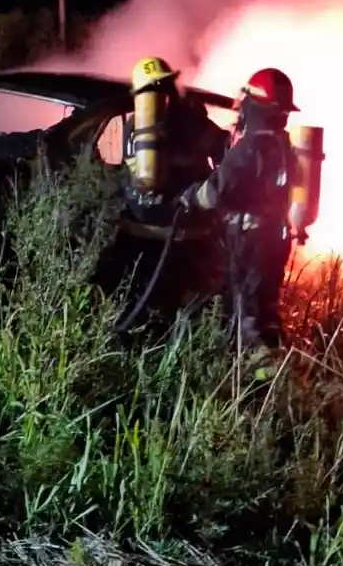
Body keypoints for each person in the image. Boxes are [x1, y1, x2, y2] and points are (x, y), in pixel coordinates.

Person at [177, 67, 300, 378]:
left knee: (247, 314)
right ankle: (277, 370)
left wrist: (189, 197)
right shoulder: (284, 146)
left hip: (249, 242)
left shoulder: (249, 148)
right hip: (274, 240)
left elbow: (215, 192)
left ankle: (260, 388)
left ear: (253, 105)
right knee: (266, 310)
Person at [108, 56, 230, 324]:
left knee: (139, 301)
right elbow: (225, 154)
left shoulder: (133, 127)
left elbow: (129, 173)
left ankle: (138, 347)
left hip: (137, 229)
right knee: (184, 308)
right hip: (184, 233)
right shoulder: (192, 123)